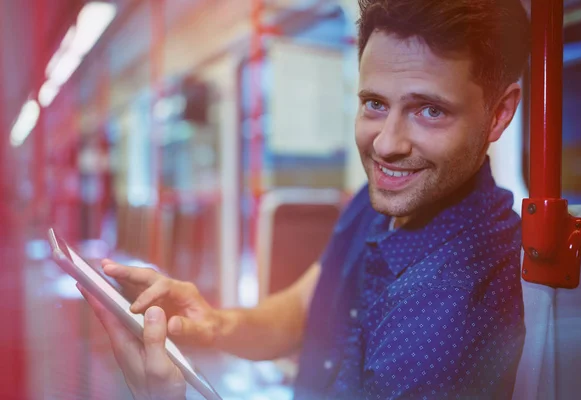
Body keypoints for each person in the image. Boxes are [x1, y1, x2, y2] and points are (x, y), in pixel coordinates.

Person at [79, 0, 531, 398]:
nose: (386, 144)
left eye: (430, 110)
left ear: (499, 114)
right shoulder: (376, 205)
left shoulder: (449, 315)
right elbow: (301, 308)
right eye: (375, 103)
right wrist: (212, 322)